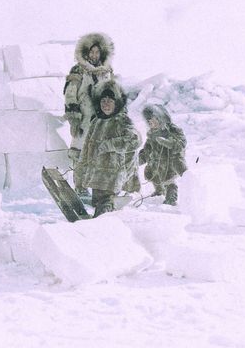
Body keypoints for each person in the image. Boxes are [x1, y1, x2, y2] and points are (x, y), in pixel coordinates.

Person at [75, 79, 140, 217]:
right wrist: (80, 174)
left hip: (113, 175)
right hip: (96, 176)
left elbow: (135, 140)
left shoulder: (122, 120)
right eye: (103, 101)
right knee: (99, 206)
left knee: (104, 209)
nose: (106, 104)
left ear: (116, 103)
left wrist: (110, 145)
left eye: (110, 101)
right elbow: (86, 150)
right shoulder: (96, 122)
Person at [64, 32, 115, 197]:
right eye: (92, 52)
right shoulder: (78, 69)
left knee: (98, 152)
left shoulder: (107, 71)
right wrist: (73, 114)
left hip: (101, 118)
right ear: (86, 52)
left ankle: (95, 186)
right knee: (80, 151)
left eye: (97, 52)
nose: (94, 55)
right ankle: (80, 186)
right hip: (84, 117)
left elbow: (113, 92)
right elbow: (70, 92)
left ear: (102, 53)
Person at [138, 104, 187, 205]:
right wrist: (138, 159)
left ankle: (171, 196)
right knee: (155, 175)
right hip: (156, 162)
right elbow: (146, 150)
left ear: (161, 118)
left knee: (168, 179)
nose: (152, 123)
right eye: (149, 122)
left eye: (154, 120)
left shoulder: (172, 130)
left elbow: (181, 144)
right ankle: (159, 191)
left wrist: (168, 142)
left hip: (171, 160)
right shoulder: (152, 135)